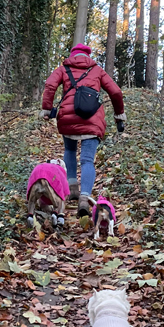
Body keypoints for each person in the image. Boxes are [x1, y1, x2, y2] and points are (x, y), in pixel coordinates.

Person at [40, 43, 126, 217]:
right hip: (92, 119)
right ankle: (84, 198)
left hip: (68, 118)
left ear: (73, 54)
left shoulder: (64, 68)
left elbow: (50, 85)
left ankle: (72, 190)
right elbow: (116, 92)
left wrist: (47, 109)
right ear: (88, 55)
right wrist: (119, 114)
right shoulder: (97, 70)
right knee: (87, 160)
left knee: (69, 150)